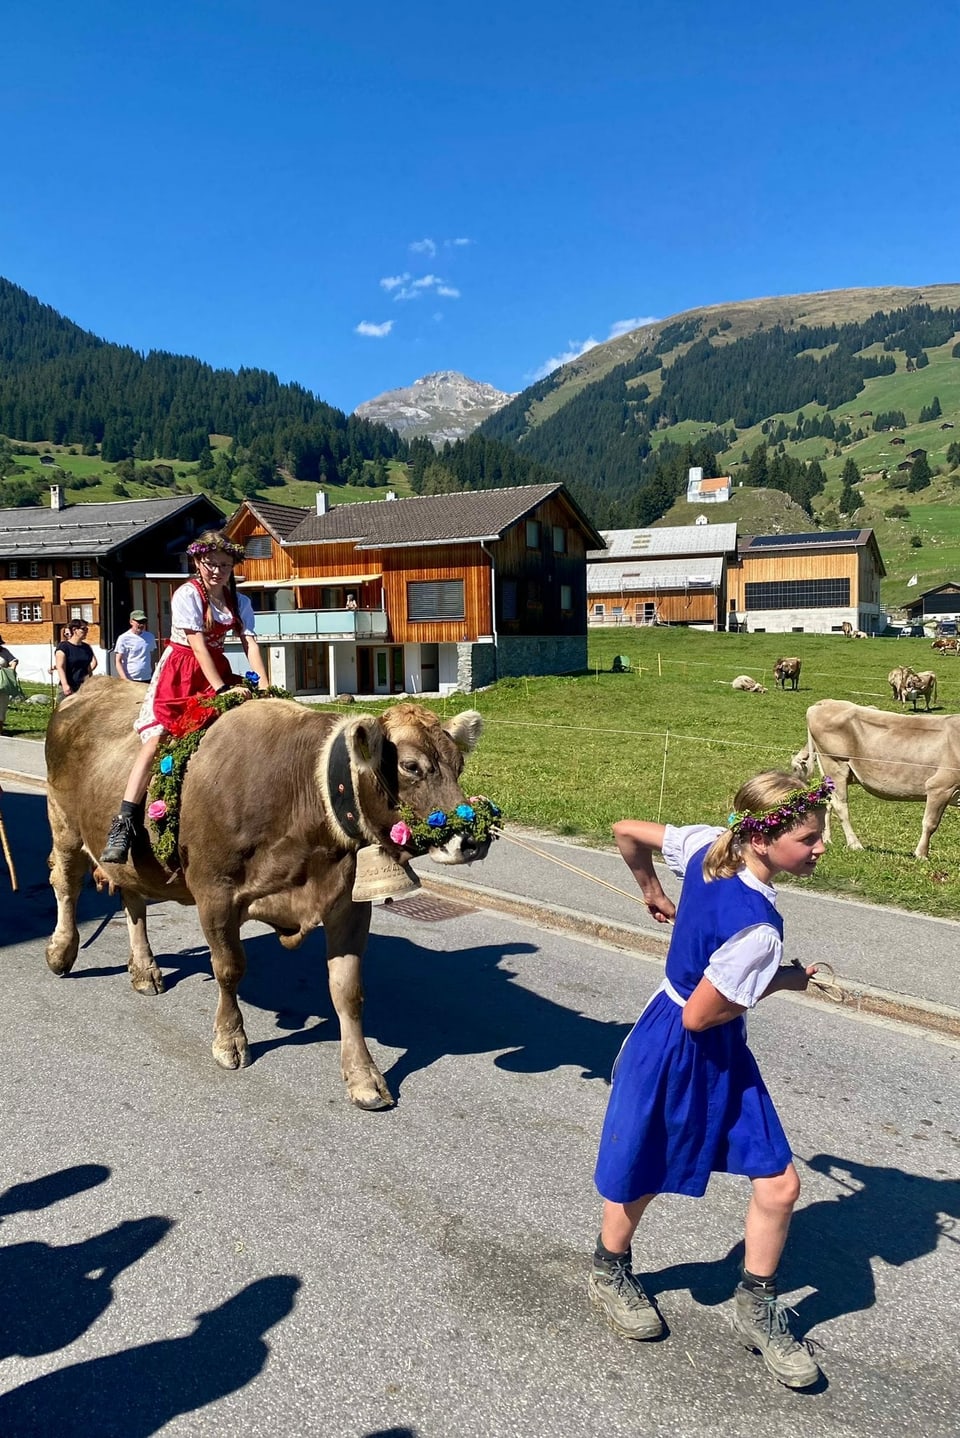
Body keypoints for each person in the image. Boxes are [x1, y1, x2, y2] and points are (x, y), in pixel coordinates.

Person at [588, 770, 833, 1390]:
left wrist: (650, 889)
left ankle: (757, 1304)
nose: (820, 848)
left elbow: (625, 832)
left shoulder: (706, 844)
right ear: (762, 839)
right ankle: (609, 1267)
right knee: (647, 1162)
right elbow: (701, 1014)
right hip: (681, 1043)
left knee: (780, 1184)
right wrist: (784, 979)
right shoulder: (758, 930)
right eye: (809, 838)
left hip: (706, 1039)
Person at [99, 531, 268, 865]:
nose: (217, 571)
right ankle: (124, 820)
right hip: (182, 671)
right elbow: (197, 644)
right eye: (211, 564)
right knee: (157, 739)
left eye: (224, 565)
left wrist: (264, 684)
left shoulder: (239, 601)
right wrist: (220, 689)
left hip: (215, 668)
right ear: (197, 562)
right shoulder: (187, 596)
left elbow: (249, 643)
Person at [55, 621, 97, 699]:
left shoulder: (86, 647)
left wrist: (91, 682)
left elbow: (88, 668)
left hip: (84, 688)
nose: (86, 631)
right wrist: (65, 685)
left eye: (87, 629)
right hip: (69, 687)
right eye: (83, 629)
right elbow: (60, 667)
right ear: (74, 630)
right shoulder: (63, 647)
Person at [114, 610, 157, 683]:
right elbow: (118, 661)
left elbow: (153, 655)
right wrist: (125, 680)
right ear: (131, 622)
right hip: (131, 679)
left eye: (143, 622)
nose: (141, 625)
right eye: (139, 622)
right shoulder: (123, 638)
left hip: (147, 678)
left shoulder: (150, 637)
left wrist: (153, 673)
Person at [0, 634, 19, 735]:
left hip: (3, 682)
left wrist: (12, 669)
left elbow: (14, 660)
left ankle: (0, 729)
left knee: (2, 706)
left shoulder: (4, 652)